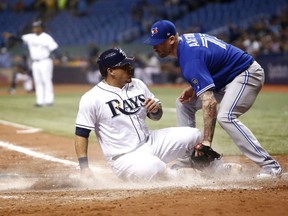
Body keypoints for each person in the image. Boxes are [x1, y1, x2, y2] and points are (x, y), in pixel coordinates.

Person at [144, 20, 282, 179]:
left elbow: (209, 102)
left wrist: (206, 142)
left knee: (226, 116)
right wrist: (195, 87)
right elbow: (210, 59)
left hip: (246, 73)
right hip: (225, 78)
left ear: (171, 40)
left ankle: (270, 166)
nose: (154, 47)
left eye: (158, 42)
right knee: (183, 104)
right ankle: (186, 160)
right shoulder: (185, 43)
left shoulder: (189, 59)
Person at [74, 47, 207, 182]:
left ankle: (218, 172)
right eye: (124, 66)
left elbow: (156, 116)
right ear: (111, 71)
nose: (130, 68)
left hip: (150, 141)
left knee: (195, 135)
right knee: (154, 167)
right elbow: (81, 133)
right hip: (124, 157)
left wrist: (155, 110)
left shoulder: (138, 84)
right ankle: (185, 178)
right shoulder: (92, 98)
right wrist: (84, 168)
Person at [2, 20, 60, 107]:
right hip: (35, 62)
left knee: (46, 81)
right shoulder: (30, 37)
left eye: (37, 27)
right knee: (38, 82)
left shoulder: (46, 37)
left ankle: (49, 100)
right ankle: (40, 101)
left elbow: (54, 48)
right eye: (34, 27)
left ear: (41, 28)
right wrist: (11, 36)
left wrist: (57, 57)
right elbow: (20, 39)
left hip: (45, 61)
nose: (35, 28)